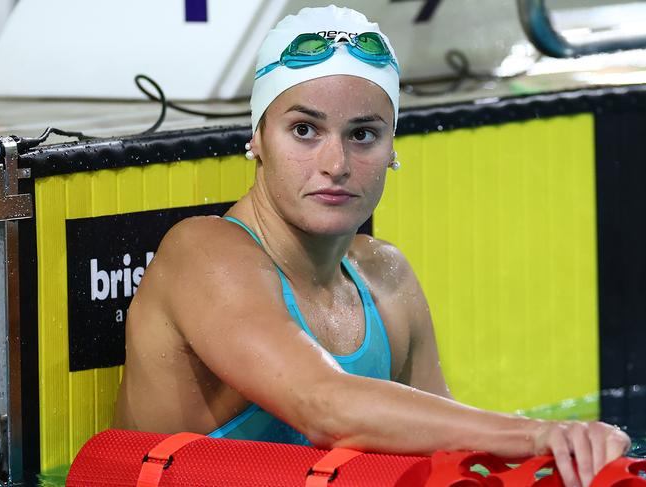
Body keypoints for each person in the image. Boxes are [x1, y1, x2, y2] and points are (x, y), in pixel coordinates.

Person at [114, 5, 630, 487]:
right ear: (257, 139)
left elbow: (448, 450)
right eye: (304, 130)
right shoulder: (205, 252)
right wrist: (538, 434)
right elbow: (324, 405)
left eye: (362, 135)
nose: (335, 164)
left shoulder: (385, 276)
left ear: (392, 149)